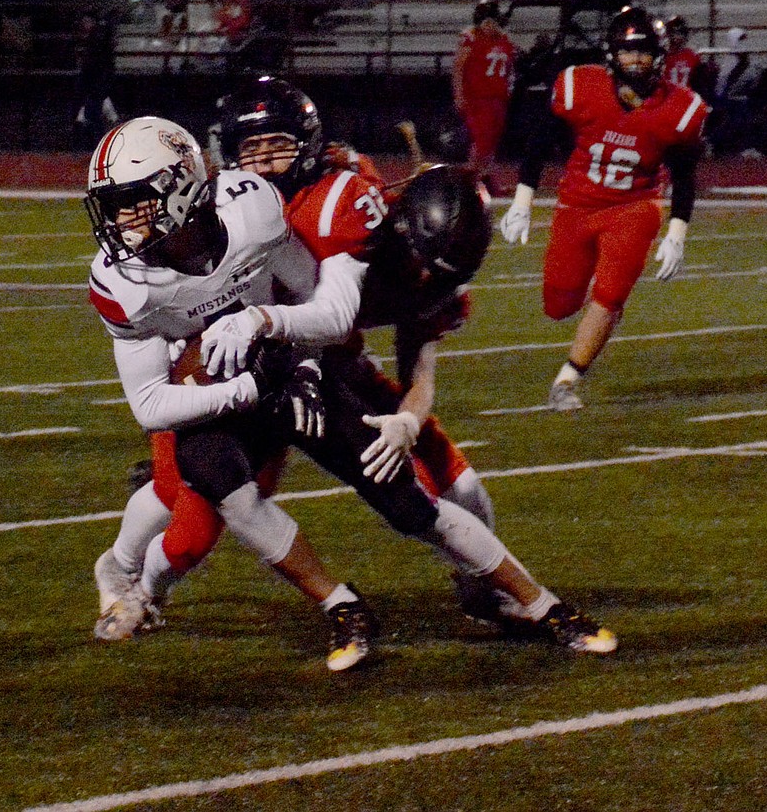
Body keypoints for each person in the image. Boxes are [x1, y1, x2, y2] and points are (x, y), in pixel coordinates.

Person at [103, 78, 618, 657]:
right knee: (193, 512)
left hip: (322, 368)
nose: (267, 163)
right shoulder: (221, 213)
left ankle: (511, 596)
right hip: (231, 374)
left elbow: (340, 317)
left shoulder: (348, 215)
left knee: (437, 494)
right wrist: (227, 374)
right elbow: (156, 381)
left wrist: (403, 419)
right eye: (256, 148)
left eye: (279, 145)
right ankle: (133, 585)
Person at [85, 116, 376, 672]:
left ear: (179, 188)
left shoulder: (250, 212)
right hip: (200, 387)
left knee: (202, 506)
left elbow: (307, 291)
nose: (118, 221)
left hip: (278, 363)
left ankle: (135, 579)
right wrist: (243, 388)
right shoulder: (123, 280)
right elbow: (148, 404)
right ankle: (124, 572)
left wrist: (303, 364)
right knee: (189, 527)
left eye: (132, 201)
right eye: (112, 204)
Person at [500, 6, 709, 411]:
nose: (636, 59)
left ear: (659, 56)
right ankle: (580, 333)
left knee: (611, 293)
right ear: (611, 54)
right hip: (577, 205)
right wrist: (523, 199)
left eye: (645, 51)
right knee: (558, 306)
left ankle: (566, 380)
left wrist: (677, 232)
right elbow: (540, 141)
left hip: (634, 206)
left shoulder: (679, 108)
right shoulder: (582, 87)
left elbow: (684, 176)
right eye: (628, 51)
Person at [451, 0, 518, 196]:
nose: (489, 26)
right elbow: (458, 68)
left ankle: (485, 181)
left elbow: (509, 69)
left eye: (493, 21)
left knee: (491, 143)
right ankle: (467, 182)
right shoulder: (471, 37)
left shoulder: (504, 40)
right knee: (481, 142)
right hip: (478, 98)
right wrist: (459, 94)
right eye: (486, 22)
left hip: (498, 98)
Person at [709, 26, 762, 157]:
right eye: (740, 39)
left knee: (743, 122)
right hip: (729, 98)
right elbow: (723, 83)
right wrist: (721, 100)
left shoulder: (750, 61)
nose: (744, 43)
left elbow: (753, 80)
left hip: (742, 97)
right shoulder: (729, 63)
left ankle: (747, 147)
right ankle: (711, 142)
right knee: (734, 123)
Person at [73, 10, 120, 149]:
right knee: (94, 113)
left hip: (98, 80)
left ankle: (101, 144)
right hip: (95, 81)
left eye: (87, 22)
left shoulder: (97, 39)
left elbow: (95, 64)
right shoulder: (94, 39)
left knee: (94, 114)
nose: (85, 25)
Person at [663, 15, 706, 93]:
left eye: (680, 33)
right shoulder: (663, 56)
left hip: (687, 98)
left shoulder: (692, 56)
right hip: (667, 98)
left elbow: (699, 81)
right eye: (674, 33)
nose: (677, 37)